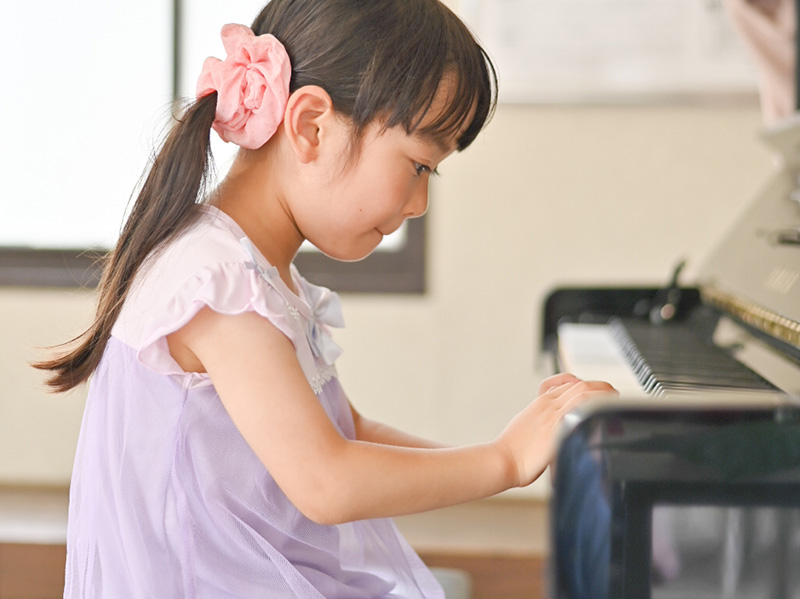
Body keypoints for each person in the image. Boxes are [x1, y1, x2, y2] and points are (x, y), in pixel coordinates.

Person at [37, 0, 616, 596]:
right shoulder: (215, 282)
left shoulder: (250, 270)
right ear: (311, 125)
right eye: (419, 166)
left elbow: (346, 430)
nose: (418, 204)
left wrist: (508, 455)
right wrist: (504, 461)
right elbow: (325, 482)